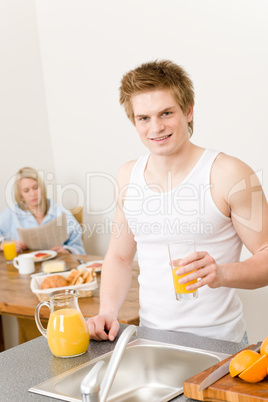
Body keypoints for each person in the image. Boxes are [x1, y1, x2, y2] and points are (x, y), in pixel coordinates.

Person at [87, 60, 268, 343]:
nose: (156, 127)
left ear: (188, 110)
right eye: (144, 118)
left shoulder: (230, 173)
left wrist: (221, 273)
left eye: (166, 113)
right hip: (152, 340)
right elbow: (120, 257)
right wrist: (108, 311)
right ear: (134, 122)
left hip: (220, 343)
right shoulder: (127, 176)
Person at [0, 167, 85, 255]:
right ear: (20, 194)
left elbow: (78, 247)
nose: (33, 194)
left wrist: (67, 250)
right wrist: (2, 245)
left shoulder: (60, 212)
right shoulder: (11, 214)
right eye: (26, 191)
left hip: (57, 264)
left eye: (36, 188)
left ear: (42, 187)